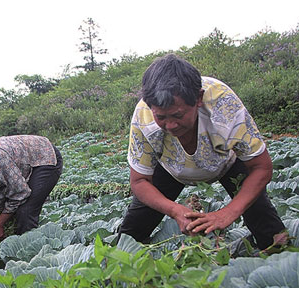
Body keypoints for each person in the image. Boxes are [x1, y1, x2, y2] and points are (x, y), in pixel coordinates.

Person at [118, 53, 288, 252]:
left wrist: (227, 214)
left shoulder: (224, 105)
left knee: (268, 230)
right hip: (171, 167)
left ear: (198, 98)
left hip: (227, 163)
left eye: (178, 115)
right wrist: (175, 211)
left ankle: (281, 256)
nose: (170, 124)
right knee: (129, 238)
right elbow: (139, 181)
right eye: (161, 117)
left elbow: (261, 167)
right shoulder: (144, 117)